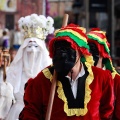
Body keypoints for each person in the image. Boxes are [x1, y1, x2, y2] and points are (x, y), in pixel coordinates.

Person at [19, 24, 114, 120]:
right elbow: (30, 114)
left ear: (80, 51)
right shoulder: (42, 80)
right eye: (58, 49)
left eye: (67, 48)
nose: (62, 54)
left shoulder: (101, 78)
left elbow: (106, 113)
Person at [4, 13, 54, 120]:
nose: (32, 50)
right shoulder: (13, 71)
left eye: (36, 46)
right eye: (29, 46)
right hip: (17, 114)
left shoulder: (51, 71)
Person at [87, 28, 120, 120]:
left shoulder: (116, 80)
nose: (88, 54)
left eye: (92, 49)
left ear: (103, 53)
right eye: (86, 49)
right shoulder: (80, 77)